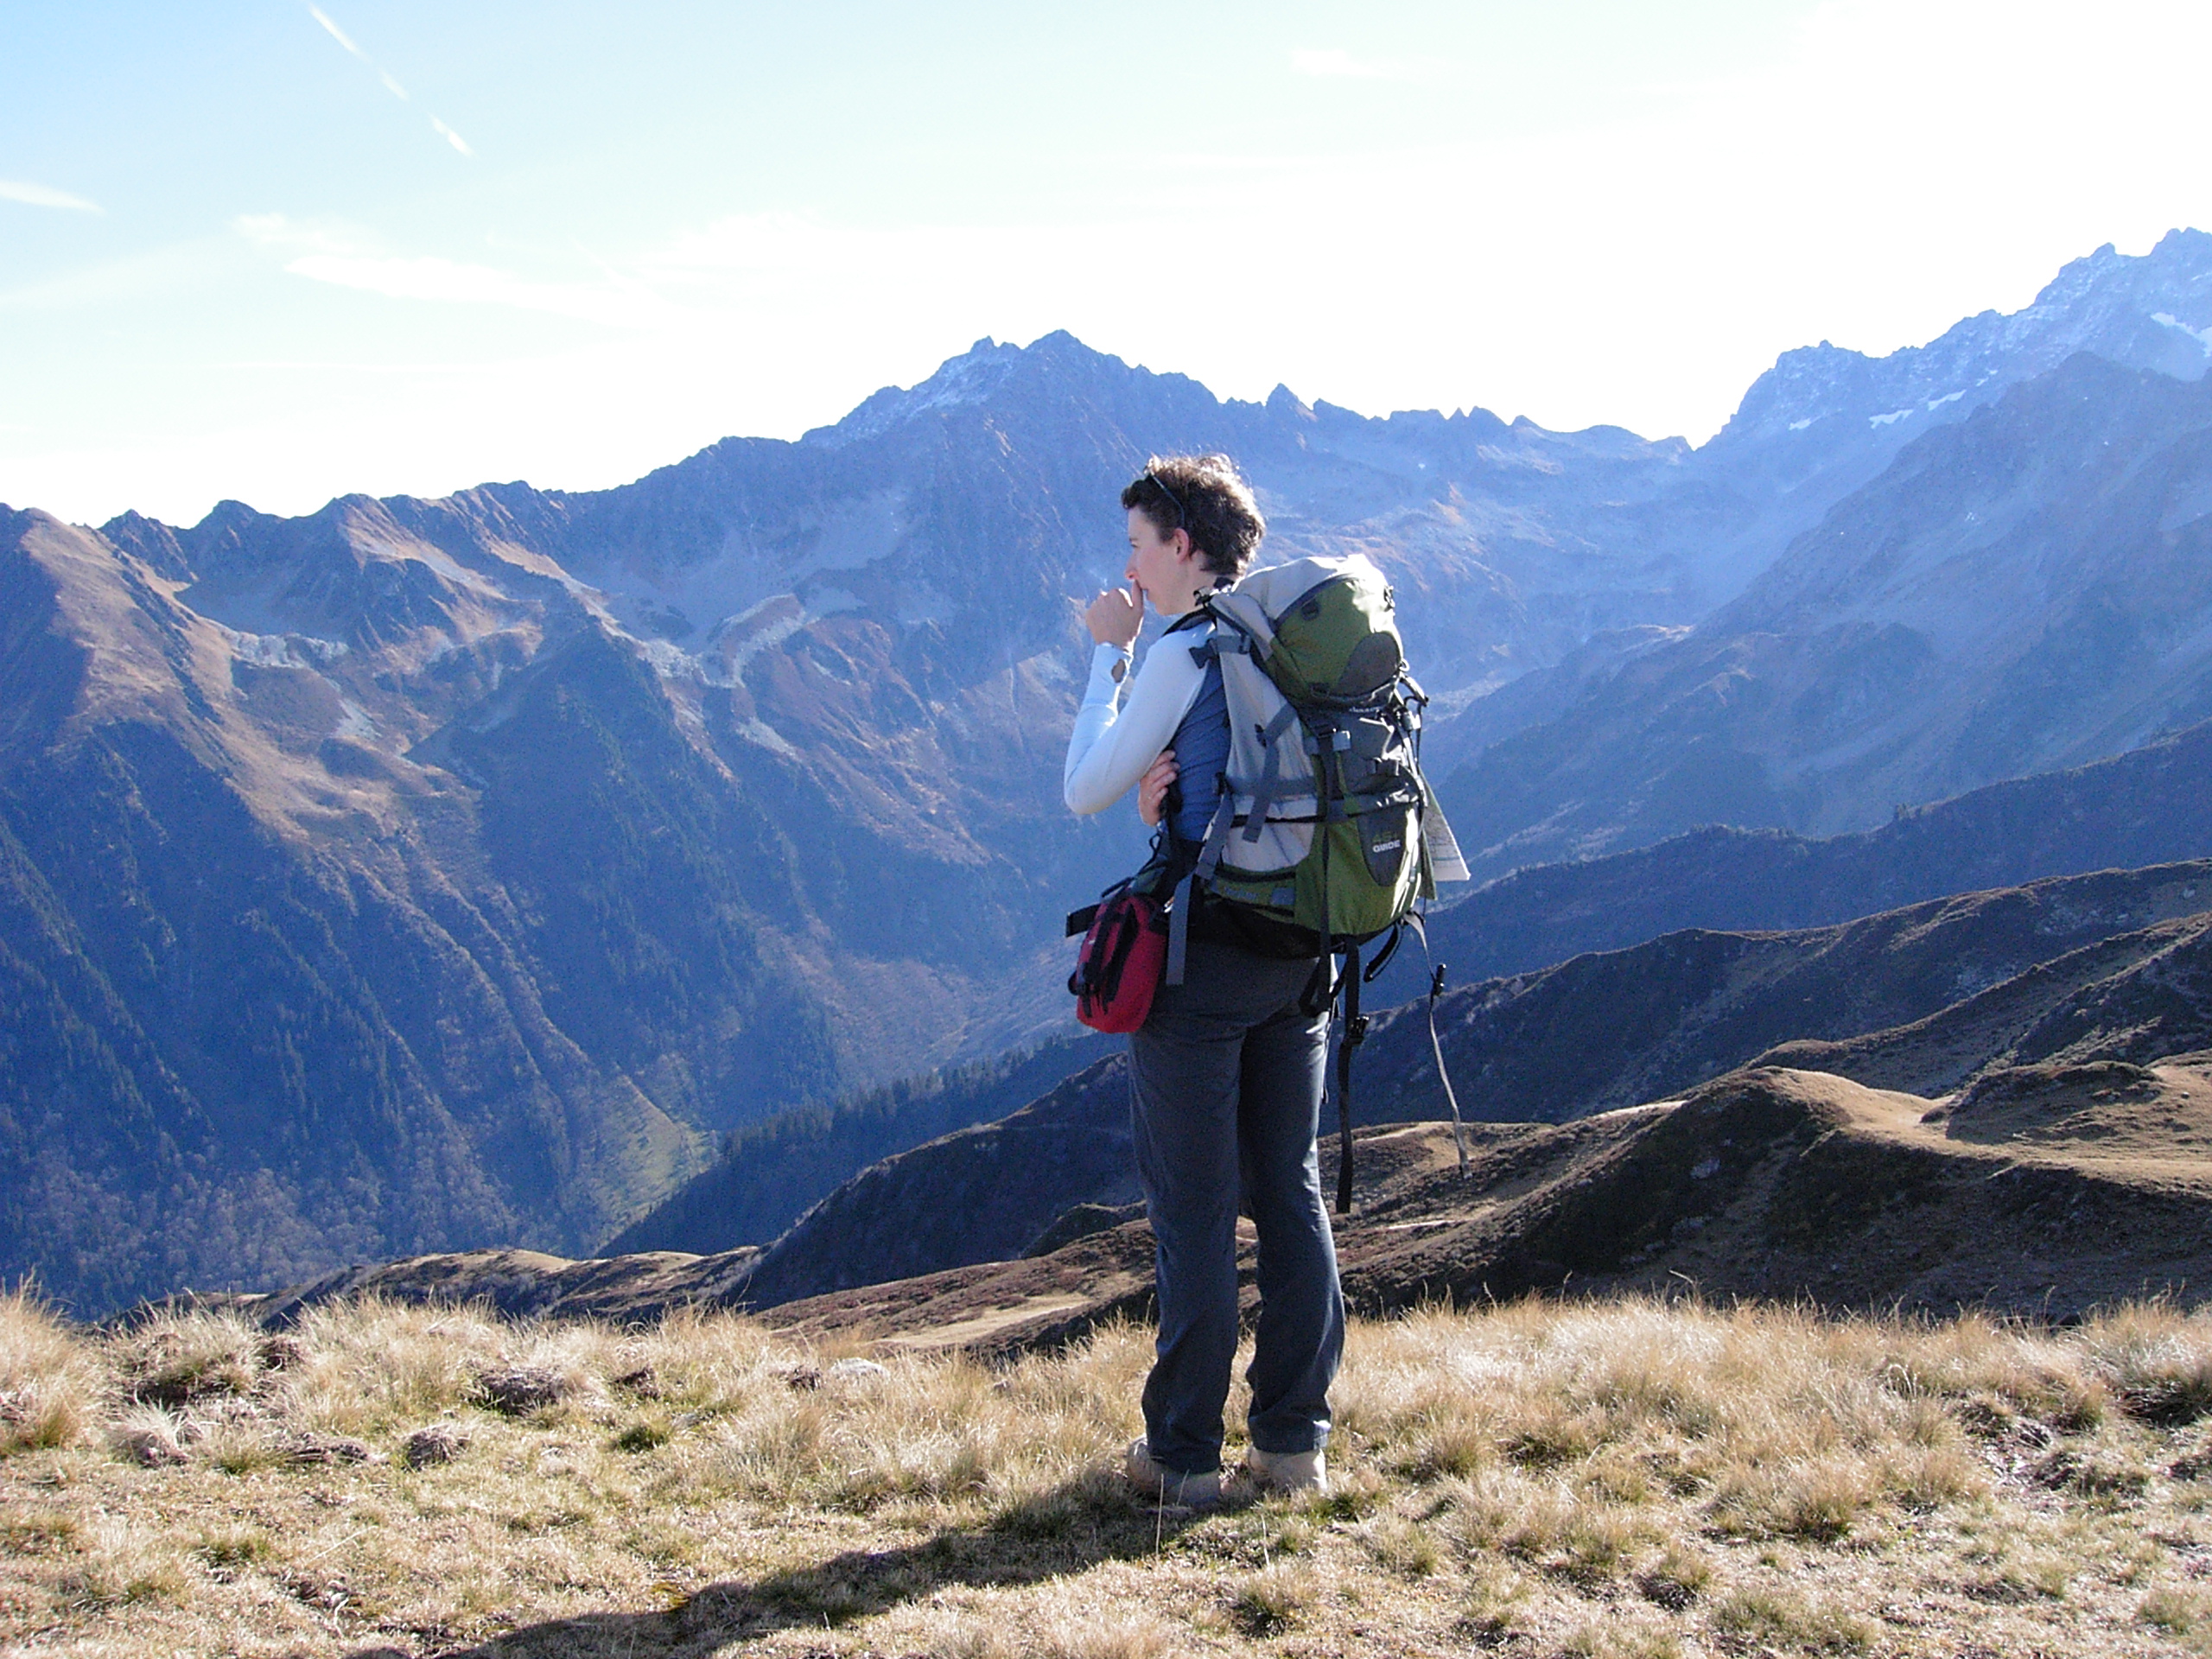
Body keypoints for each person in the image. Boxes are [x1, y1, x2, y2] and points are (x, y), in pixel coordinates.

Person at [1063, 453, 1342, 1507]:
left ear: (1182, 547)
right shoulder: (1278, 644)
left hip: (1205, 959)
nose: (1126, 562)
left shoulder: (1180, 647)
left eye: (1136, 541)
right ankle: (1290, 1447)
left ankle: (1179, 1460)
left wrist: (1107, 658)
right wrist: (1164, 799)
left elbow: (1083, 786)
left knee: (1192, 1210)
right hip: (1300, 951)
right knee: (1289, 1192)